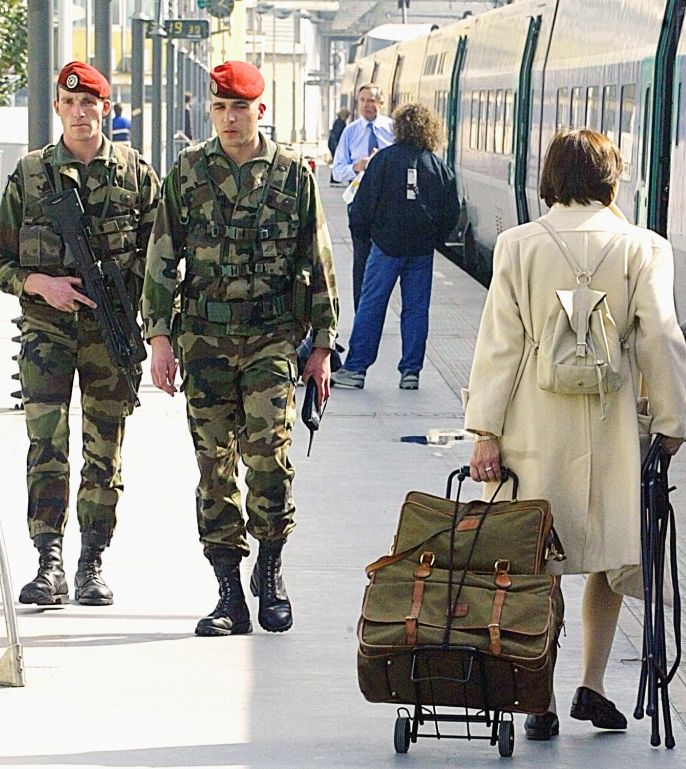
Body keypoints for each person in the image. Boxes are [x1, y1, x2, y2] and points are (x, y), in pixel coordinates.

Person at [463, 129, 686, 740]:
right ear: (611, 178)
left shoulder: (516, 246)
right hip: (612, 428)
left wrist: (485, 431)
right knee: (605, 558)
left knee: (538, 560)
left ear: (550, 178)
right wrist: (670, 424)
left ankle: (538, 698)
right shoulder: (645, 248)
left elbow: (500, 346)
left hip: (531, 427)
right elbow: (661, 338)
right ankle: (591, 685)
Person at [142, 60, 339, 637]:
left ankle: (271, 568)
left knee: (269, 459)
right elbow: (161, 257)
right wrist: (158, 336)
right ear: (212, 110)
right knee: (213, 467)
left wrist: (323, 346)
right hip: (202, 340)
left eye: (240, 108)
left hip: (271, 340)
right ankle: (229, 590)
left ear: (261, 111)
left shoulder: (291, 176)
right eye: (221, 107)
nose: (230, 118)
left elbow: (318, 261)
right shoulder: (187, 173)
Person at [0, 61, 160, 607]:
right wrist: (40, 283)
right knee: (47, 444)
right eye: (71, 104)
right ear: (58, 109)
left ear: (104, 109)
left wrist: (159, 333)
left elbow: (161, 263)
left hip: (110, 336)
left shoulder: (136, 175)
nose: (81, 112)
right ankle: (49, 561)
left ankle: (91, 562)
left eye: (91, 102)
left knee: (104, 451)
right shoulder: (31, 174)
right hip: (47, 331)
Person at [332, 104, 459, 391]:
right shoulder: (438, 167)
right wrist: (433, 238)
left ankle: (356, 369)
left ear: (398, 127)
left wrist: (368, 234)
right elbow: (451, 211)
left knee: (372, 305)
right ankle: (411, 372)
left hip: (385, 248)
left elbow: (364, 204)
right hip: (421, 250)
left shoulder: (383, 160)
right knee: (415, 309)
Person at [331, 84, 394, 311]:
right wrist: (356, 167)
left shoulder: (392, 129)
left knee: (386, 261)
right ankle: (362, 310)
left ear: (381, 103)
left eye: (372, 100)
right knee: (362, 260)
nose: (367, 105)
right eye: (363, 100)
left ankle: (379, 306)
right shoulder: (350, 132)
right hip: (360, 203)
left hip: (388, 207)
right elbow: (337, 170)